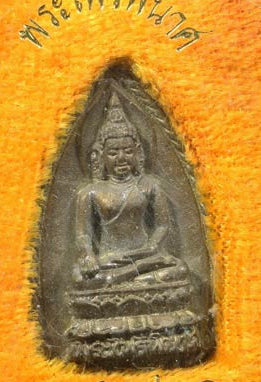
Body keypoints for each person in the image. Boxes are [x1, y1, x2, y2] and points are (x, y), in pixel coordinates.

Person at [72, 93, 188, 288]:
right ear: (100, 156)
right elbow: (83, 234)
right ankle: (136, 277)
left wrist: (151, 247)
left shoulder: (150, 185)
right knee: (79, 278)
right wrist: (88, 255)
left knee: (181, 269)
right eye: (113, 153)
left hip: (146, 254)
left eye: (127, 151)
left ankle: (122, 279)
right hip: (109, 260)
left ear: (137, 152)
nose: (121, 158)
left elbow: (162, 225)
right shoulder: (90, 193)